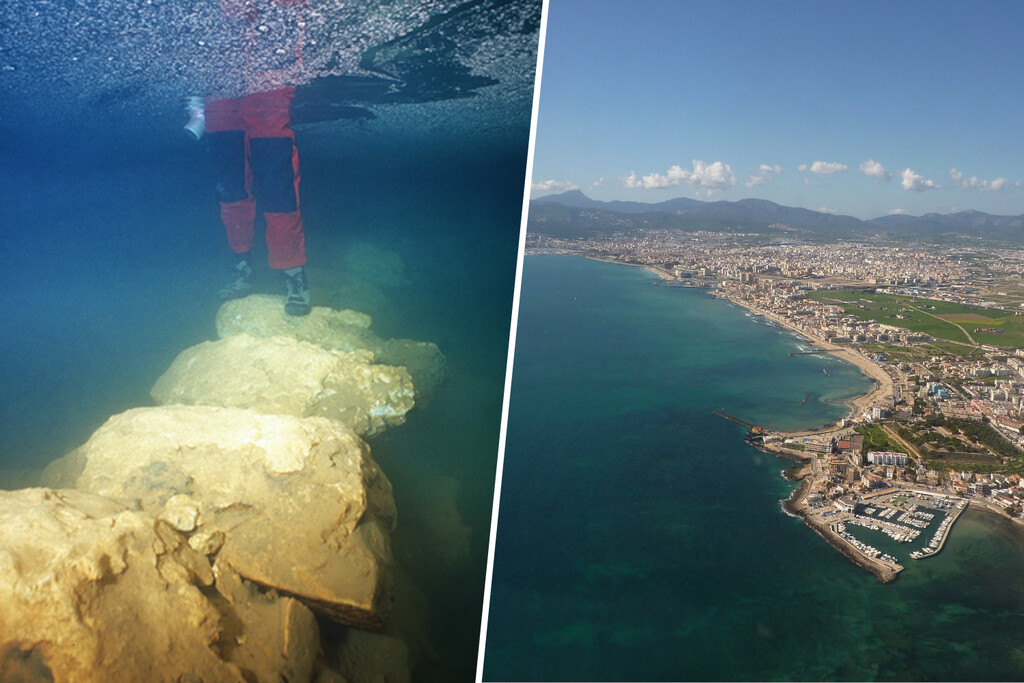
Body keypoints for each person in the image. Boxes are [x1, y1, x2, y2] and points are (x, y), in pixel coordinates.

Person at [192, 0, 311, 316]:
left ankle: (293, 273)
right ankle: (243, 266)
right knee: (230, 185)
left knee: (276, 182)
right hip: (222, 86)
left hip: (267, 79)